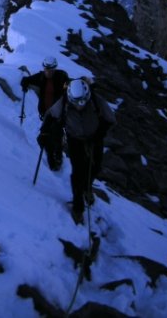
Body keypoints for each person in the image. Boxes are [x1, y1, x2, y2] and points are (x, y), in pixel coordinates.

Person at [41, 78, 116, 224]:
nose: (80, 105)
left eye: (82, 101)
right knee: (78, 172)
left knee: (95, 167)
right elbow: (51, 115)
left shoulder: (95, 100)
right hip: (75, 139)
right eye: (76, 102)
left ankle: (87, 187)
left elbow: (110, 119)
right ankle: (78, 207)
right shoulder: (64, 102)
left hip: (94, 138)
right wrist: (44, 132)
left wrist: (100, 133)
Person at [21, 56, 69, 170]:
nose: (48, 72)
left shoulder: (61, 77)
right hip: (46, 114)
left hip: (59, 113)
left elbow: (69, 84)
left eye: (51, 69)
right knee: (44, 137)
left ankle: (56, 157)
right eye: (46, 69)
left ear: (55, 68)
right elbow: (28, 80)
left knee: (55, 134)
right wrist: (25, 83)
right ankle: (54, 157)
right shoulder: (41, 77)